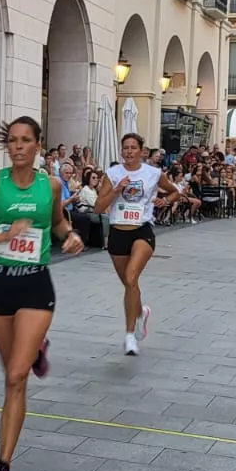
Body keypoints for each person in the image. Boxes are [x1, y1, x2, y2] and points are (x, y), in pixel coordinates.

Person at [0, 116, 84, 471]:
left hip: (35, 286)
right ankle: (36, 350)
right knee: (11, 370)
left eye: (25, 140)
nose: (17, 146)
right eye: (12, 140)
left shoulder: (52, 184)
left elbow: (58, 224)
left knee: (16, 378)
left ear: (37, 145)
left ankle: (2, 466)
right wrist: (4, 234)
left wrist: (72, 236)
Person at [96, 133, 178, 356]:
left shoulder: (153, 173)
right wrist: (115, 190)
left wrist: (165, 200)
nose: (129, 152)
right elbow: (97, 208)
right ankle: (140, 310)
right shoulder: (112, 174)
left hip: (142, 231)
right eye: (126, 148)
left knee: (132, 278)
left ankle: (130, 335)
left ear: (142, 151)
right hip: (117, 232)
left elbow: (174, 191)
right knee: (129, 285)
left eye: (133, 148)